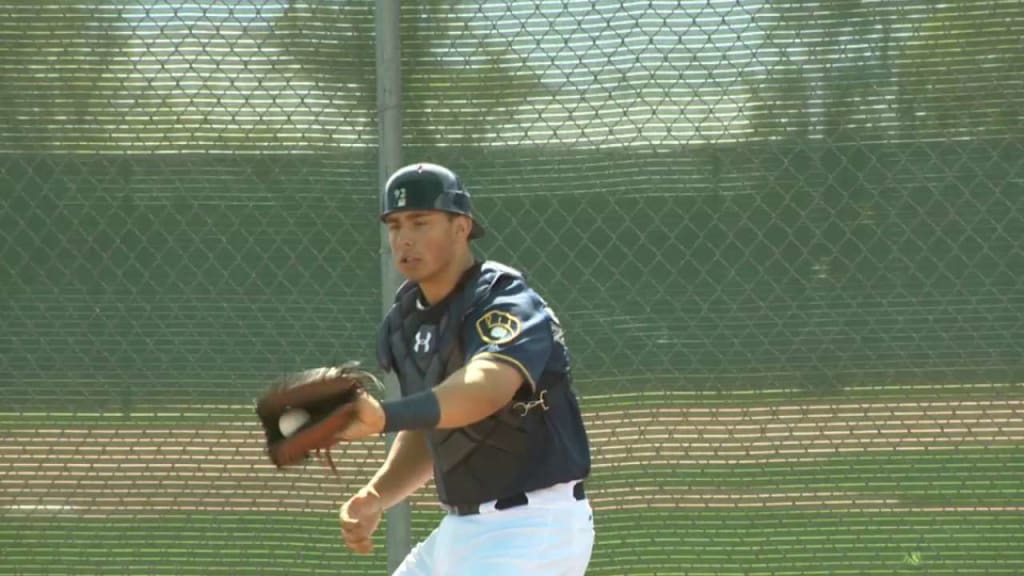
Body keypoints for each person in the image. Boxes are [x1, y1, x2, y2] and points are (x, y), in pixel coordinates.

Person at [335, 162, 594, 575]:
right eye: (395, 225)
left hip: (533, 527)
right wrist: (377, 494)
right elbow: (433, 425)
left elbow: (484, 389)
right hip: (458, 530)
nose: (405, 239)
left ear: (462, 227)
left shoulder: (504, 301)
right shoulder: (407, 319)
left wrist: (385, 416)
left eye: (420, 222)